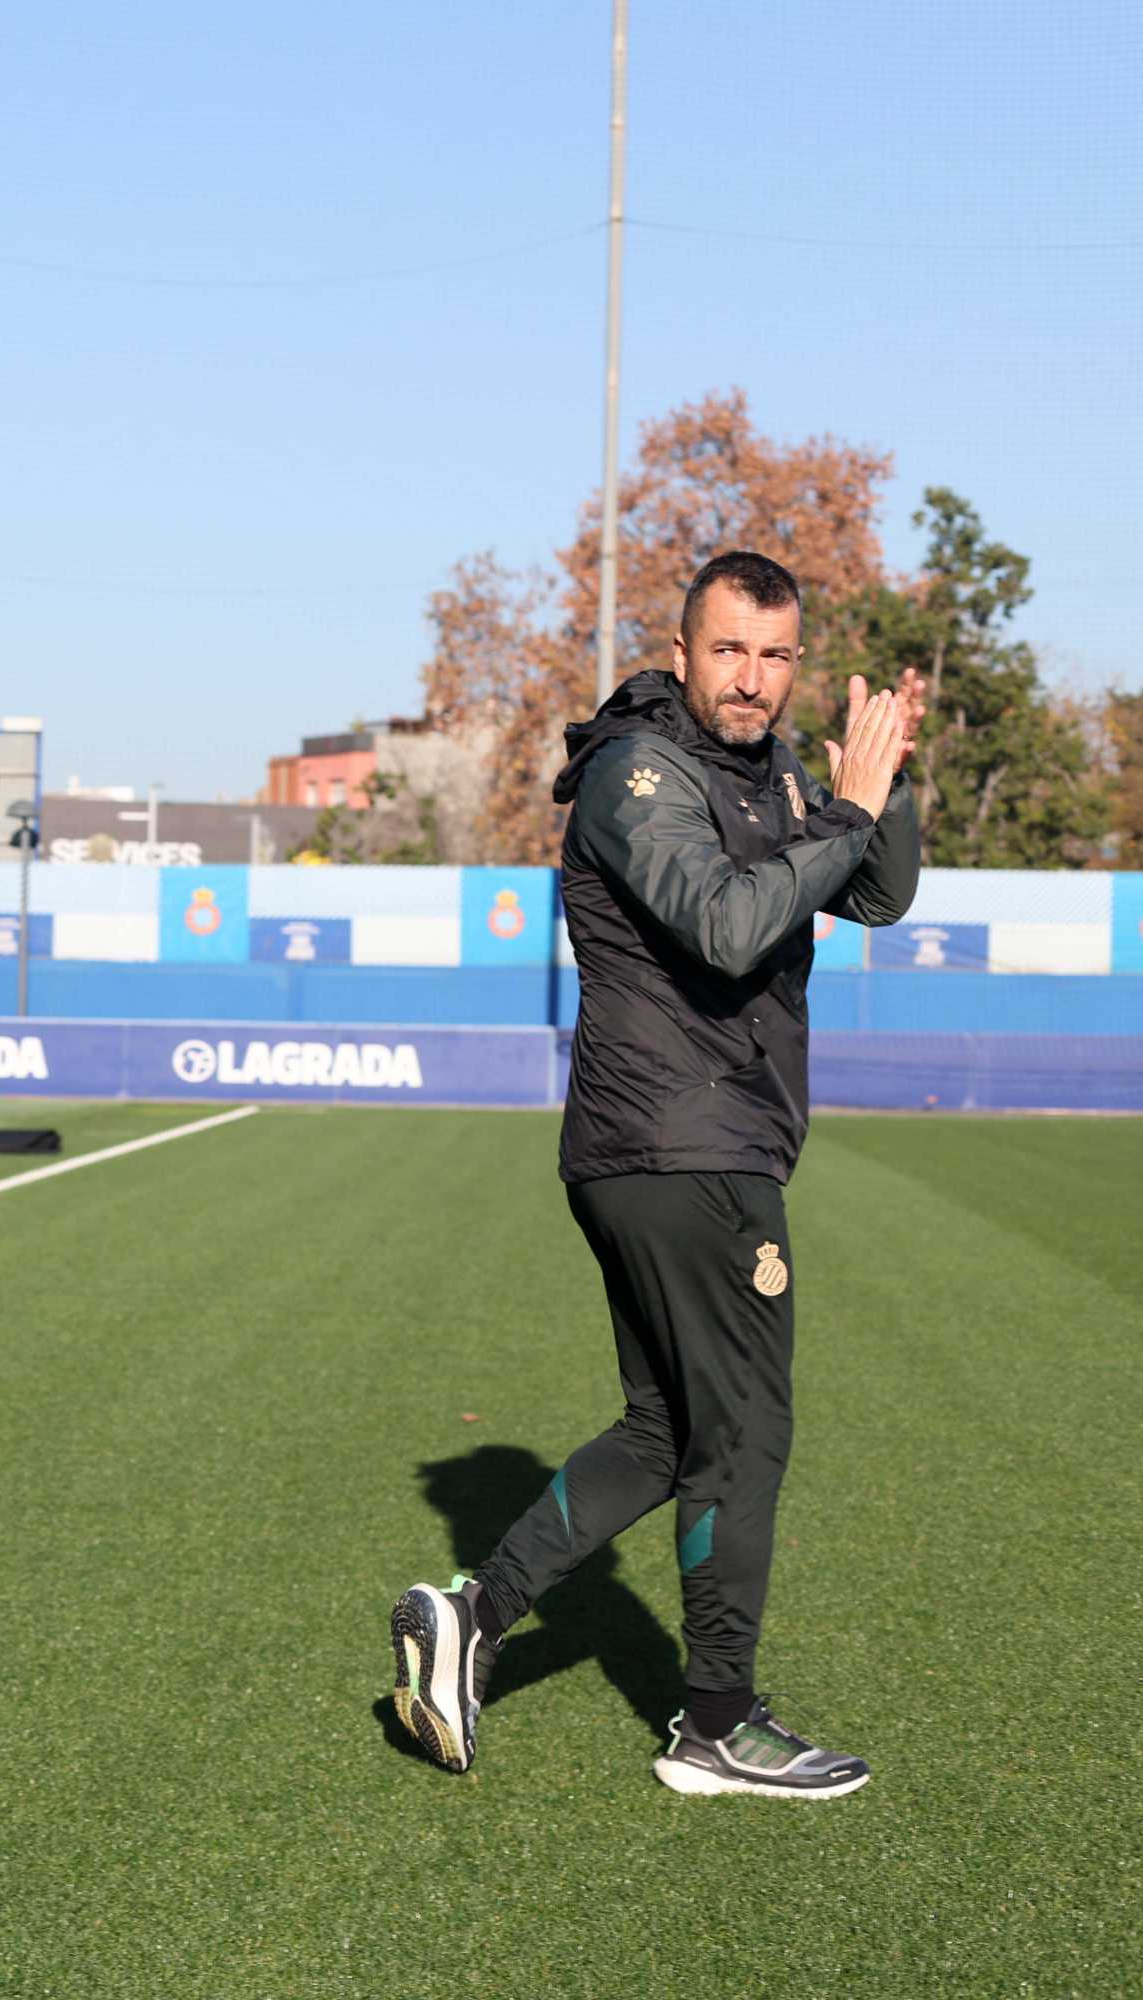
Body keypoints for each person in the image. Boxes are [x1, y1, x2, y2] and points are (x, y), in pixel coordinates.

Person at [389, 550, 923, 1800]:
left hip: (681, 1142)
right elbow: (731, 926)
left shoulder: (772, 767)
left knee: (669, 1427)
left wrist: (880, 786)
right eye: (730, 650)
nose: (753, 679)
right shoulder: (640, 774)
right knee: (745, 1433)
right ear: (682, 653)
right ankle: (717, 1724)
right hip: (685, 1142)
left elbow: (881, 895)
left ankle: (473, 1613)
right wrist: (838, 816)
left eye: (777, 655)